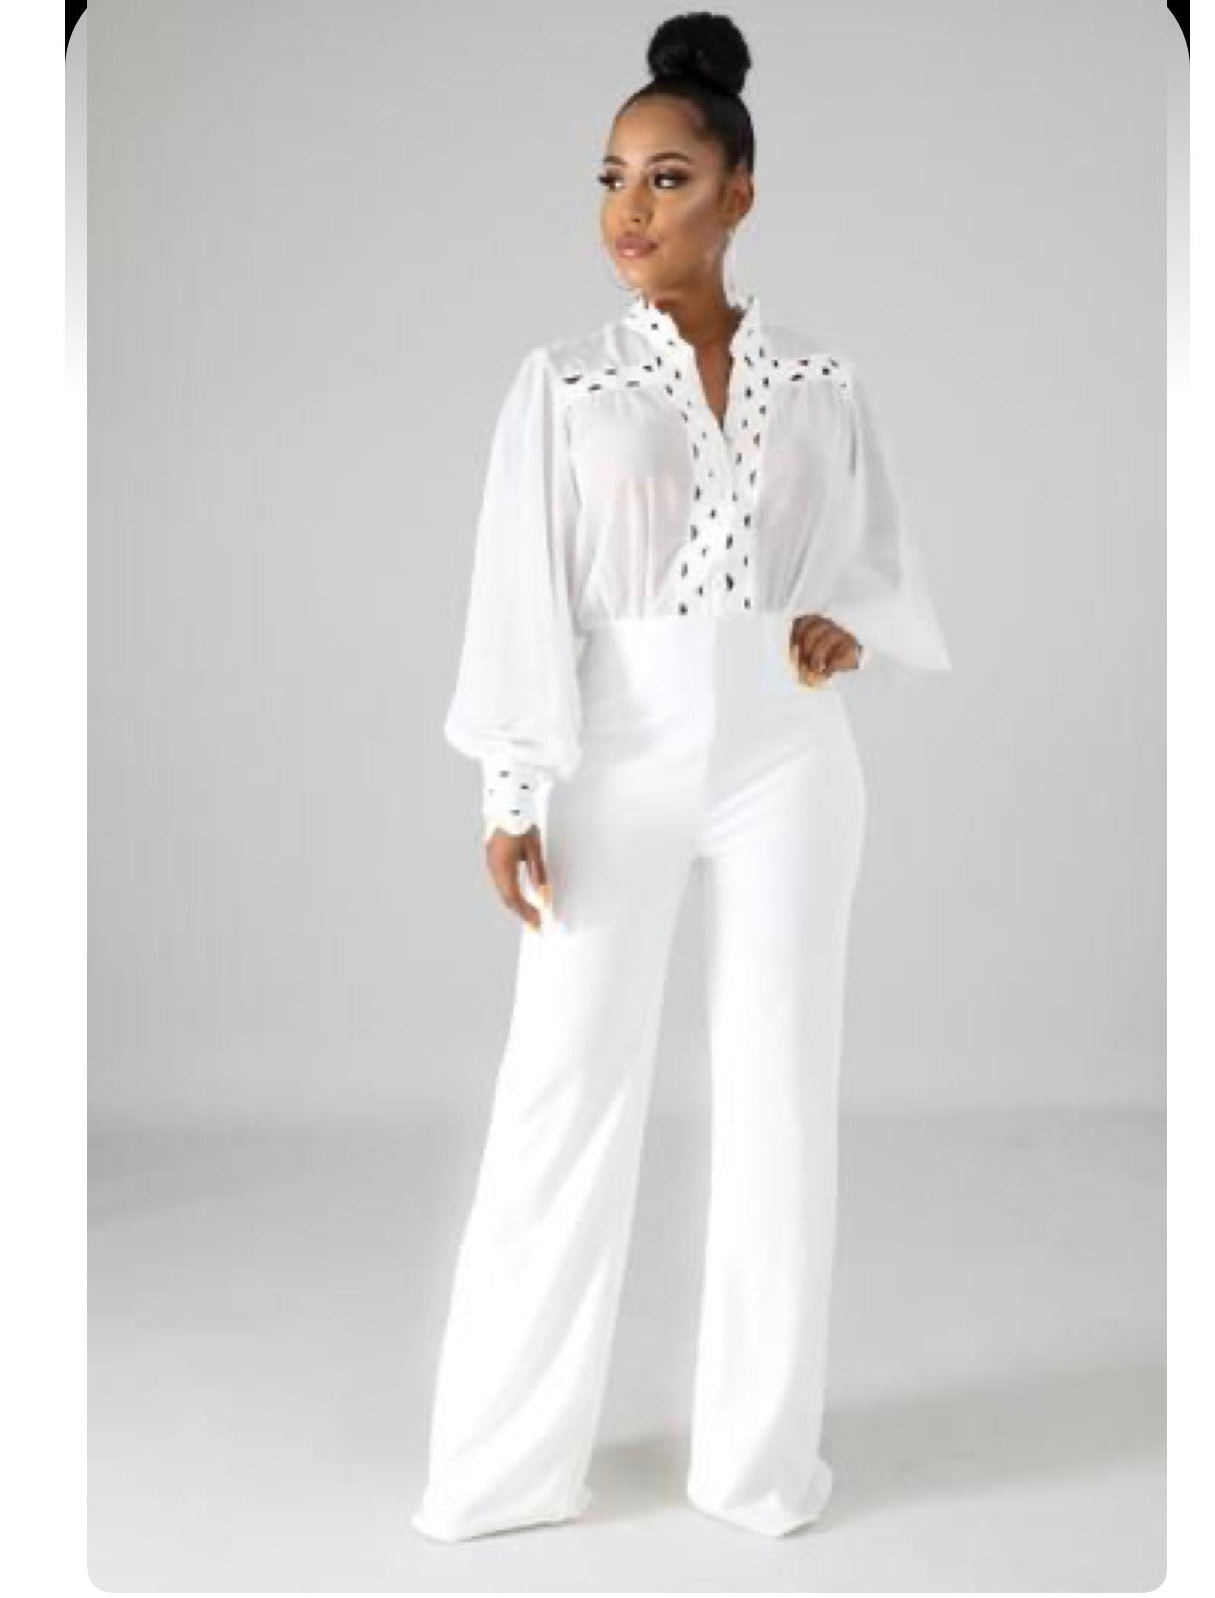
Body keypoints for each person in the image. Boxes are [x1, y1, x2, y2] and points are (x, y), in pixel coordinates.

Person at [412, 11, 953, 1543]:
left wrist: (846, 625)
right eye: (610, 179)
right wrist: (512, 789)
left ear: (738, 193)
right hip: (619, 748)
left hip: (790, 758)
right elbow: (520, 589)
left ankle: (755, 1466)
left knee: (782, 1097)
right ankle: (500, 1471)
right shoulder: (566, 385)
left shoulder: (823, 379)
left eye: (665, 177)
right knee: (563, 1087)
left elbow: (870, 560)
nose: (627, 211)